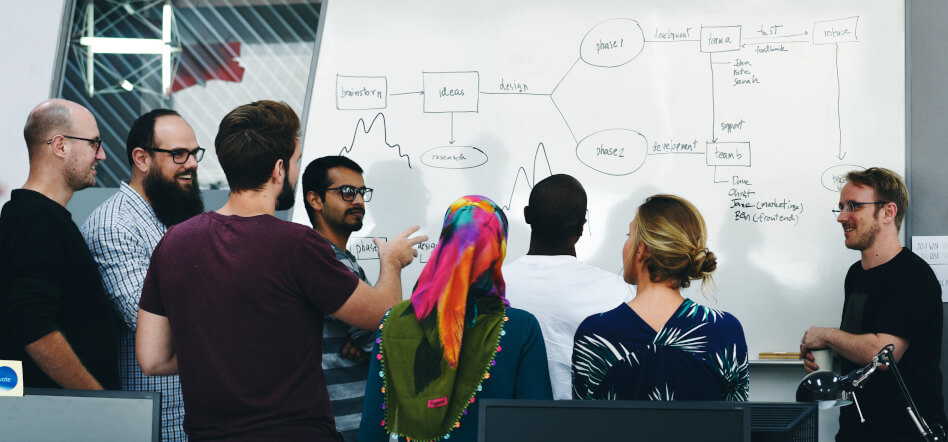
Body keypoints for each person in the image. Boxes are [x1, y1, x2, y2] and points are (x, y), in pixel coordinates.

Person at [136, 100, 426, 440]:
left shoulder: (174, 242)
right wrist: (391, 262)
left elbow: (153, 359)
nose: (295, 170)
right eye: (295, 160)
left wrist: (220, 354)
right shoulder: (297, 245)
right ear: (277, 169)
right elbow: (384, 317)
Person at [360, 196, 553, 442]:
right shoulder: (521, 328)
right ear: (497, 250)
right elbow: (536, 426)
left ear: (446, 243)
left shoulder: (395, 320)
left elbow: (373, 426)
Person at [81, 109, 204, 440]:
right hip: (158, 418)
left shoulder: (170, 216)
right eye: (178, 154)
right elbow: (153, 326)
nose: (191, 163)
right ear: (141, 158)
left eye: (194, 153)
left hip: (193, 409)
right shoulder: (115, 226)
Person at [800, 167, 946, 441]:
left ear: (888, 213)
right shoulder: (855, 275)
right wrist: (826, 356)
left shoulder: (913, 275)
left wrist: (828, 335)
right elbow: (859, 349)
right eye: (841, 207)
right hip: (856, 430)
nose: (842, 217)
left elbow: (882, 356)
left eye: (853, 206)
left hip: (903, 434)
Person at [572, 194, 748, 401]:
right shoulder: (725, 330)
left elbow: (585, 426)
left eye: (629, 235)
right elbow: (735, 426)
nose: (626, 243)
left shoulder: (595, 333)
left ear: (642, 248)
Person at [0, 98, 119, 390]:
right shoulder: (35, 220)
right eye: (94, 143)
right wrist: (99, 403)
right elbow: (34, 326)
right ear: (60, 146)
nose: (101, 155)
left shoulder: (42, 218)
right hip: (58, 420)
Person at [503, 174, 633, 399]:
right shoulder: (619, 291)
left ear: (526, 215)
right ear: (582, 226)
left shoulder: (491, 287)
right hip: (585, 426)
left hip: (503, 425)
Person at [302, 155, 377, 441]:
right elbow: (386, 341)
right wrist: (392, 264)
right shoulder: (329, 261)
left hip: (347, 418)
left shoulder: (344, 259)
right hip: (341, 425)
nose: (358, 200)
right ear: (315, 200)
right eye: (347, 192)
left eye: (361, 192)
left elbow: (374, 339)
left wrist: (367, 343)